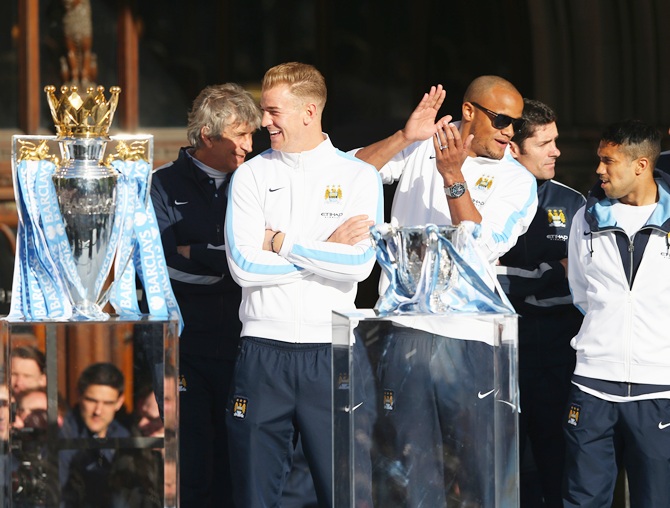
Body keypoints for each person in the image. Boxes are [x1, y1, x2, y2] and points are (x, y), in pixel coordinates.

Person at [353, 77, 537, 506]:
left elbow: (479, 248)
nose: (511, 132)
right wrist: (405, 136)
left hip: (469, 338)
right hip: (405, 331)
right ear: (469, 111)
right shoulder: (421, 147)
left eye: (517, 123)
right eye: (503, 120)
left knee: (480, 477)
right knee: (410, 474)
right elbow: (349, 175)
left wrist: (452, 176)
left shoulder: (517, 181)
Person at [224, 61, 383, 508]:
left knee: (344, 492)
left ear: (310, 112)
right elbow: (243, 266)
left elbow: (359, 265)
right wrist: (322, 248)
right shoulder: (251, 175)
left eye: (273, 111)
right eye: (263, 110)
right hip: (262, 352)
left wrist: (281, 241)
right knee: (255, 495)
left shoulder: (358, 177)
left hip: (329, 354)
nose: (263, 121)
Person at [150, 82, 261, 507]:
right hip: (185, 350)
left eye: (253, 134)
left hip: (244, 347)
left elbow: (264, 252)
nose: (249, 147)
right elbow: (160, 265)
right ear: (208, 135)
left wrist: (196, 251)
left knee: (240, 468)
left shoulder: (256, 179)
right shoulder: (160, 184)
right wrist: (233, 267)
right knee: (193, 470)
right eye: (241, 135)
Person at [565, 119, 670, 507]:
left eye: (609, 161)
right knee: (582, 499)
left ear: (640, 165)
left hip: (659, 387)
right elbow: (581, 293)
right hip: (592, 385)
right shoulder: (584, 218)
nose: (598, 170)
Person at [496, 99, 585, 507]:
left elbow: (584, 283)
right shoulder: (487, 197)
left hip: (557, 353)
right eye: (545, 142)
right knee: (503, 469)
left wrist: (526, 281)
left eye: (557, 141)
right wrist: (551, 272)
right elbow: (482, 278)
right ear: (514, 146)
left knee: (560, 466)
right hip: (503, 352)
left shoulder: (572, 203)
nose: (557, 151)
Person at [59, 362, 130, 508]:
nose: (98, 411)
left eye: (108, 403)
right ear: (79, 395)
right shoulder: (64, 437)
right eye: (92, 401)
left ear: (119, 402)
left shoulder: (124, 436)